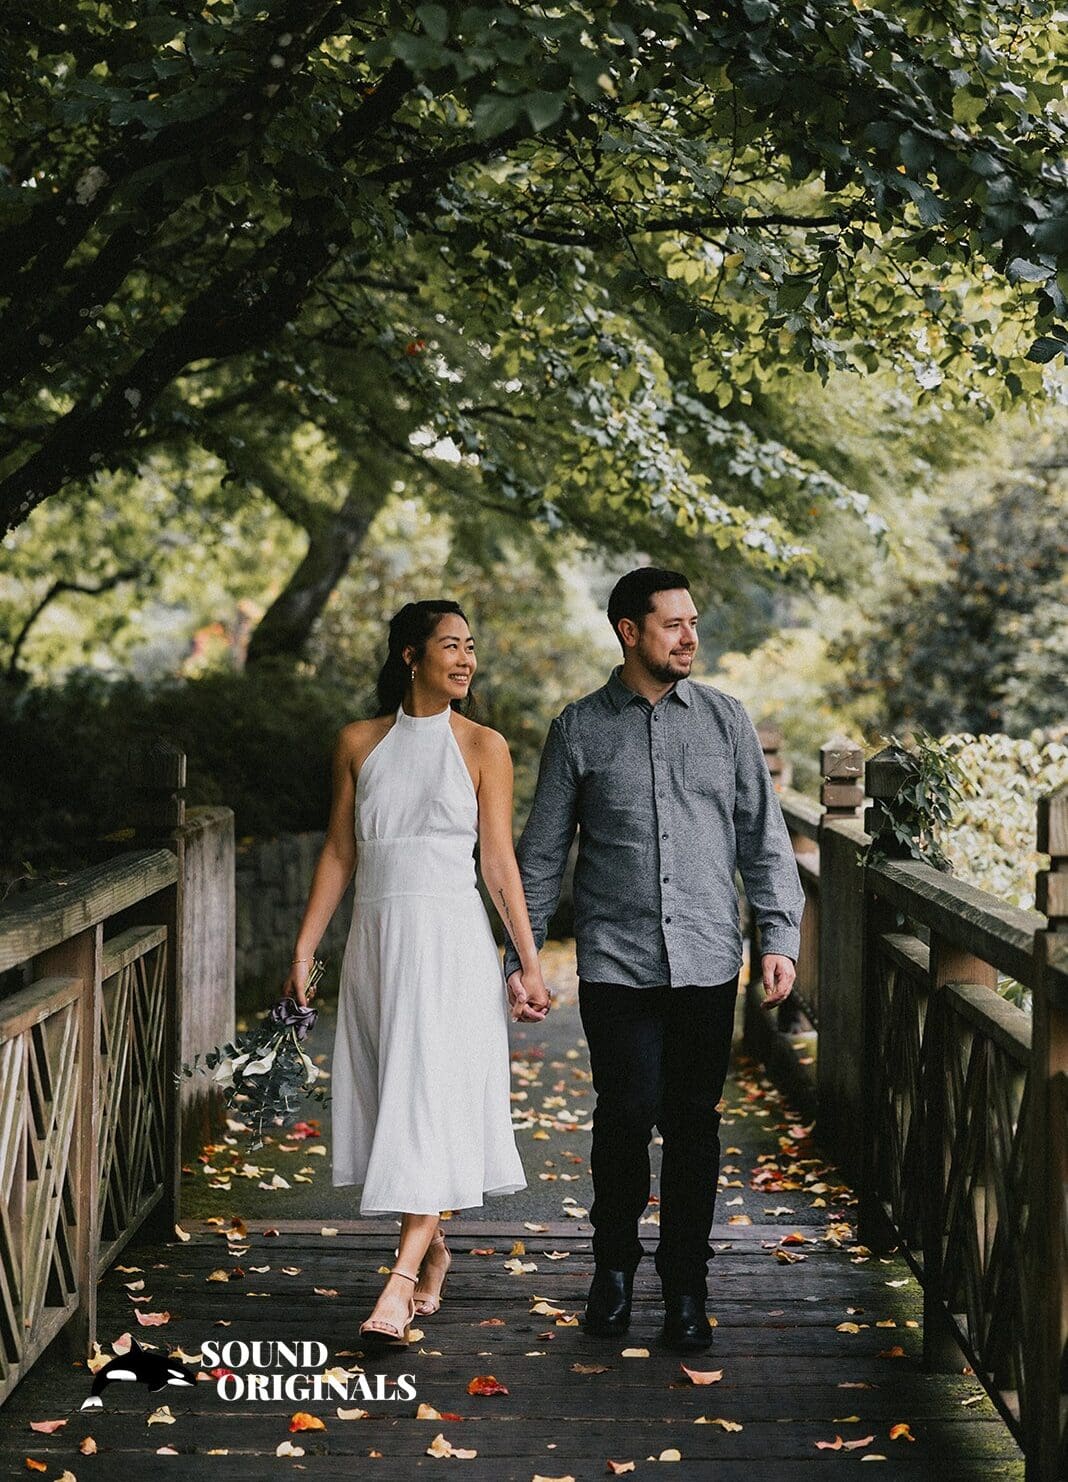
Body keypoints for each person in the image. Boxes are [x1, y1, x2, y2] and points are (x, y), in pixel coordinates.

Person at [504, 567, 804, 1353]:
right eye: (672, 624)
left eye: (693, 621)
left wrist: (778, 935)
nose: (690, 636)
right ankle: (611, 1273)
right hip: (616, 961)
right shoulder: (578, 729)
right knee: (626, 1116)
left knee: (695, 1126)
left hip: (708, 958)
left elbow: (763, 838)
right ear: (629, 632)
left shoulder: (727, 721)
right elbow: (541, 857)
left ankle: (685, 1289)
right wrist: (524, 956)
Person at [283, 599, 550, 1349]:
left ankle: (397, 1286)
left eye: (472, 646)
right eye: (450, 646)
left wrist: (527, 962)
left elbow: (498, 863)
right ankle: (432, 1250)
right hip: (377, 940)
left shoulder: (484, 746)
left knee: (431, 1099)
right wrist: (305, 949)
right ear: (410, 655)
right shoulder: (358, 743)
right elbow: (340, 853)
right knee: (391, 1096)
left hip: (453, 942)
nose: (466, 659)